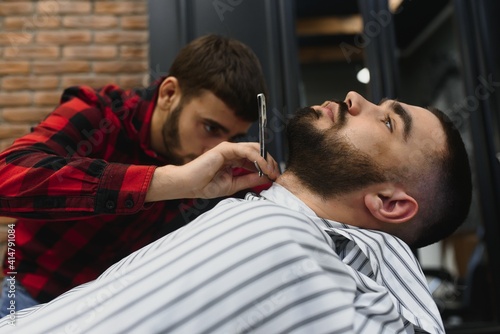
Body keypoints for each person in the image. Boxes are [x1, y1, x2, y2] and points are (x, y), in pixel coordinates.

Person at [0, 92, 472, 333]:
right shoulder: (263, 210)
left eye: (387, 121)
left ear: (390, 204)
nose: (354, 99)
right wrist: (176, 183)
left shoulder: (312, 260)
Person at [0, 34, 280, 316]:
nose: (217, 150)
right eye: (210, 128)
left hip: (119, 310)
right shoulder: (99, 115)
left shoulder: (218, 162)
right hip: (34, 298)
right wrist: (171, 181)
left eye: (231, 138)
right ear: (170, 93)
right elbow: (6, 177)